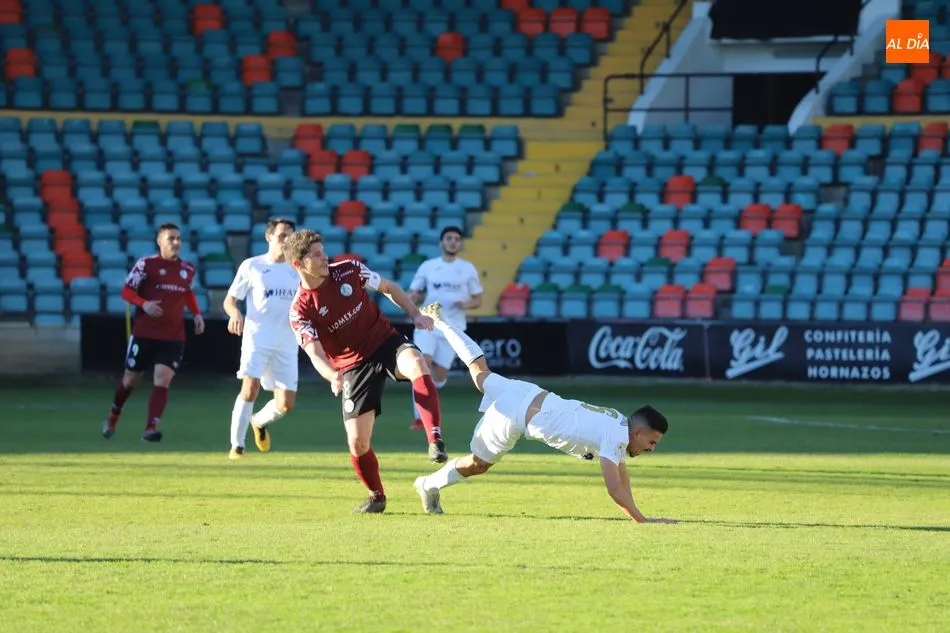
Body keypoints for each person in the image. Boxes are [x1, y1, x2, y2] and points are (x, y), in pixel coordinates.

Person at [412, 302, 677, 524]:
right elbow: (614, 487)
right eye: (652, 442)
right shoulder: (616, 437)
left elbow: (622, 477)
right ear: (638, 432)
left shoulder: (619, 421)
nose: (652, 449)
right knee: (478, 465)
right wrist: (643, 520)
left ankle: (443, 322)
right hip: (514, 416)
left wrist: (640, 515)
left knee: (480, 372)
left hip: (527, 392)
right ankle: (428, 484)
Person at [283, 229, 447, 514]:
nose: (325, 259)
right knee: (358, 443)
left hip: (384, 341)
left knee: (418, 364)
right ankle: (376, 496)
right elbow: (314, 353)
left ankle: (435, 439)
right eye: (317, 255)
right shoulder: (300, 310)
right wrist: (332, 375)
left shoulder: (349, 270)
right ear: (298, 264)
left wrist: (415, 314)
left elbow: (390, 288)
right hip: (351, 366)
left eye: (324, 252)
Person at [102, 223, 205, 443]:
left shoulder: (188, 269)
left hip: (173, 336)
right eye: (171, 238)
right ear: (160, 241)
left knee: (163, 378)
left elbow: (187, 293)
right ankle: (114, 414)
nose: (176, 242)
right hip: (145, 333)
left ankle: (150, 428)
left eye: (178, 238)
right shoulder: (146, 264)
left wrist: (196, 314)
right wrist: (144, 303)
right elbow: (126, 290)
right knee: (130, 381)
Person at [223, 218, 300, 460]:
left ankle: (258, 421)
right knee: (250, 388)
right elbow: (230, 299)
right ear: (269, 237)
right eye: (281, 235)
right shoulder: (252, 266)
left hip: (287, 341)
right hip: (257, 338)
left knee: (286, 404)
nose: (286, 240)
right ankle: (237, 446)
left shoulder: (297, 269)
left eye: (290, 235)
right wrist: (234, 312)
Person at [406, 226, 483, 432]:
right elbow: (414, 292)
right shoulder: (428, 266)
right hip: (427, 323)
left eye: (457, 239)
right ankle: (420, 419)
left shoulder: (467, 268)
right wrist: (410, 301)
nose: (452, 242)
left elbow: (478, 299)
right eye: (449, 238)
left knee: (438, 376)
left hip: (452, 328)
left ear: (460, 244)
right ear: (442, 242)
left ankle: (430, 394)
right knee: (421, 364)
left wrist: (464, 305)